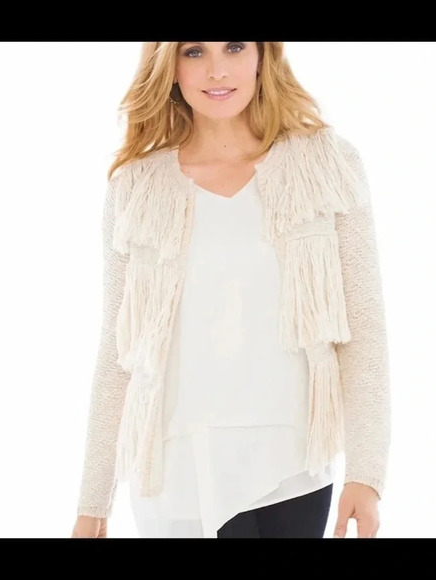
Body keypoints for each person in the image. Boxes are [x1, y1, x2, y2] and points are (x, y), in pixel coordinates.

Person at [72, 41, 391, 539]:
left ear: (263, 56)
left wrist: (366, 475)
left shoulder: (327, 163)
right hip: (180, 467)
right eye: (194, 51)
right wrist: (94, 501)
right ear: (169, 65)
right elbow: (119, 354)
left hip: (293, 465)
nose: (217, 70)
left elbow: (363, 329)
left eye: (235, 47)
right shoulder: (136, 186)